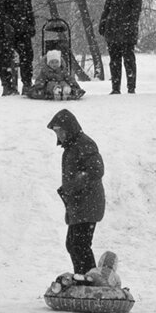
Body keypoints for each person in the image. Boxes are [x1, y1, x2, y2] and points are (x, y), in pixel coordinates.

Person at [47, 108, 106, 278]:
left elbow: (96, 170)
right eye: (56, 132)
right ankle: (84, 277)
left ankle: (90, 280)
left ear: (69, 128)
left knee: (79, 244)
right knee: (73, 244)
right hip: (79, 204)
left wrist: (74, 185)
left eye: (60, 131)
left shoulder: (84, 144)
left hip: (88, 203)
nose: (58, 135)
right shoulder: (72, 147)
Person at [98, 0, 143, 94]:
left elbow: (136, 9)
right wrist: (103, 21)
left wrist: (130, 24)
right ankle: (115, 87)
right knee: (114, 60)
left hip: (126, 28)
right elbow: (108, 5)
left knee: (128, 58)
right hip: (113, 26)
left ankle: (131, 88)